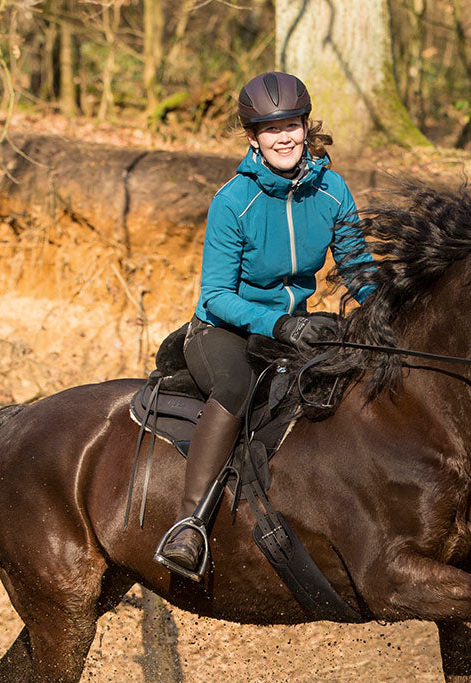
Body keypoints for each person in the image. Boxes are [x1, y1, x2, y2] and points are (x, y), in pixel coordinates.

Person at [155, 70, 374, 578]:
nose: (285, 138)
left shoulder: (333, 189)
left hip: (290, 325)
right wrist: (277, 325)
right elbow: (216, 295)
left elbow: (356, 263)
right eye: (271, 130)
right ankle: (189, 523)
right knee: (235, 387)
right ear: (253, 137)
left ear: (305, 127)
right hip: (224, 330)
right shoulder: (233, 201)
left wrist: (383, 305)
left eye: (292, 126)